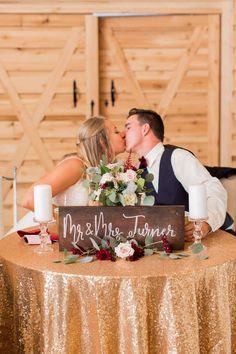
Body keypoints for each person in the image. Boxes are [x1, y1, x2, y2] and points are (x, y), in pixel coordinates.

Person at [124, 108, 229, 241]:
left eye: (128, 128)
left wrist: (206, 223)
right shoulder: (137, 171)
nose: (123, 134)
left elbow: (215, 190)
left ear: (145, 129)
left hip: (206, 241)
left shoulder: (178, 157)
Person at [22, 116, 125, 212]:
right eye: (116, 131)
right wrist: (72, 221)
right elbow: (30, 199)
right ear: (102, 141)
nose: (123, 134)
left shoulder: (112, 171)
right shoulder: (76, 165)